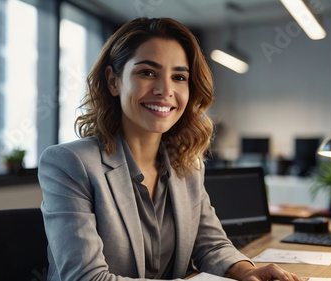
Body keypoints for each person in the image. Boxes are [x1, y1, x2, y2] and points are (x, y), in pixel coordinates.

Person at [38, 17, 301, 281]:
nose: (165, 90)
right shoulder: (71, 163)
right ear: (113, 81)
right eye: (147, 72)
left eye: (179, 77)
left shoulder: (188, 165)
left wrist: (247, 272)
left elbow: (211, 245)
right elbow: (86, 278)